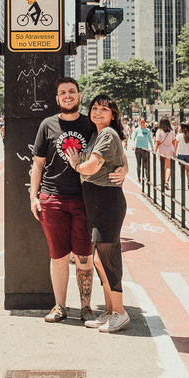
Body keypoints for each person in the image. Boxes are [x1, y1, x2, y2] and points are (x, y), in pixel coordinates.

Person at [29, 78, 126, 323]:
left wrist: (125, 169)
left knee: (85, 256)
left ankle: (86, 307)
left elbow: (115, 150)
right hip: (52, 197)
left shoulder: (90, 123)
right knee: (58, 255)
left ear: (79, 96)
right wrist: (33, 197)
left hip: (85, 199)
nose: (67, 95)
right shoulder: (47, 125)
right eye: (63, 92)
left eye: (72, 91)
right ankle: (59, 306)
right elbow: (37, 164)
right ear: (57, 98)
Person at [66, 94, 131, 334]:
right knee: (99, 259)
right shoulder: (98, 134)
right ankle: (111, 312)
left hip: (107, 201)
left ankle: (120, 313)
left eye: (104, 109)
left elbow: (92, 166)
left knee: (107, 259)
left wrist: (76, 165)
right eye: (94, 108)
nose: (97, 112)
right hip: (96, 201)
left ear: (113, 114)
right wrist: (125, 168)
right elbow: (121, 158)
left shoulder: (107, 134)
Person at [154, 118, 176, 190]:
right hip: (170, 149)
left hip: (162, 149)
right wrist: (175, 152)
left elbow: (157, 143)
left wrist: (154, 151)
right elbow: (174, 142)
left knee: (163, 166)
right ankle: (167, 181)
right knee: (168, 167)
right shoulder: (172, 131)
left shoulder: (159, 131)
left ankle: (163, 181)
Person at [175, 123, 189, 190]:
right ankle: (188, 181)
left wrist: (174, 153)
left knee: (182, 169)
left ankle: (183, 182)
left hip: (181, 154)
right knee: (188, 169)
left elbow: (176, 145)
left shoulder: (179, 136)